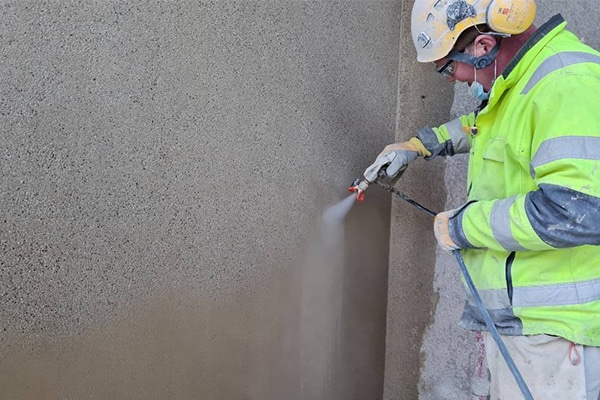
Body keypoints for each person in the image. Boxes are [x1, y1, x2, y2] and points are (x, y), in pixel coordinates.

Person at [364, 0, 600, 398]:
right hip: (528, 329)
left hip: (556, 338)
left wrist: (461, 226)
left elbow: (574, 212)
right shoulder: (525, 80)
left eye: (446, 68)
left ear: (483, 46)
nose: (449, 80)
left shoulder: (567, 82)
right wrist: (421, 145)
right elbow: (486, 127)